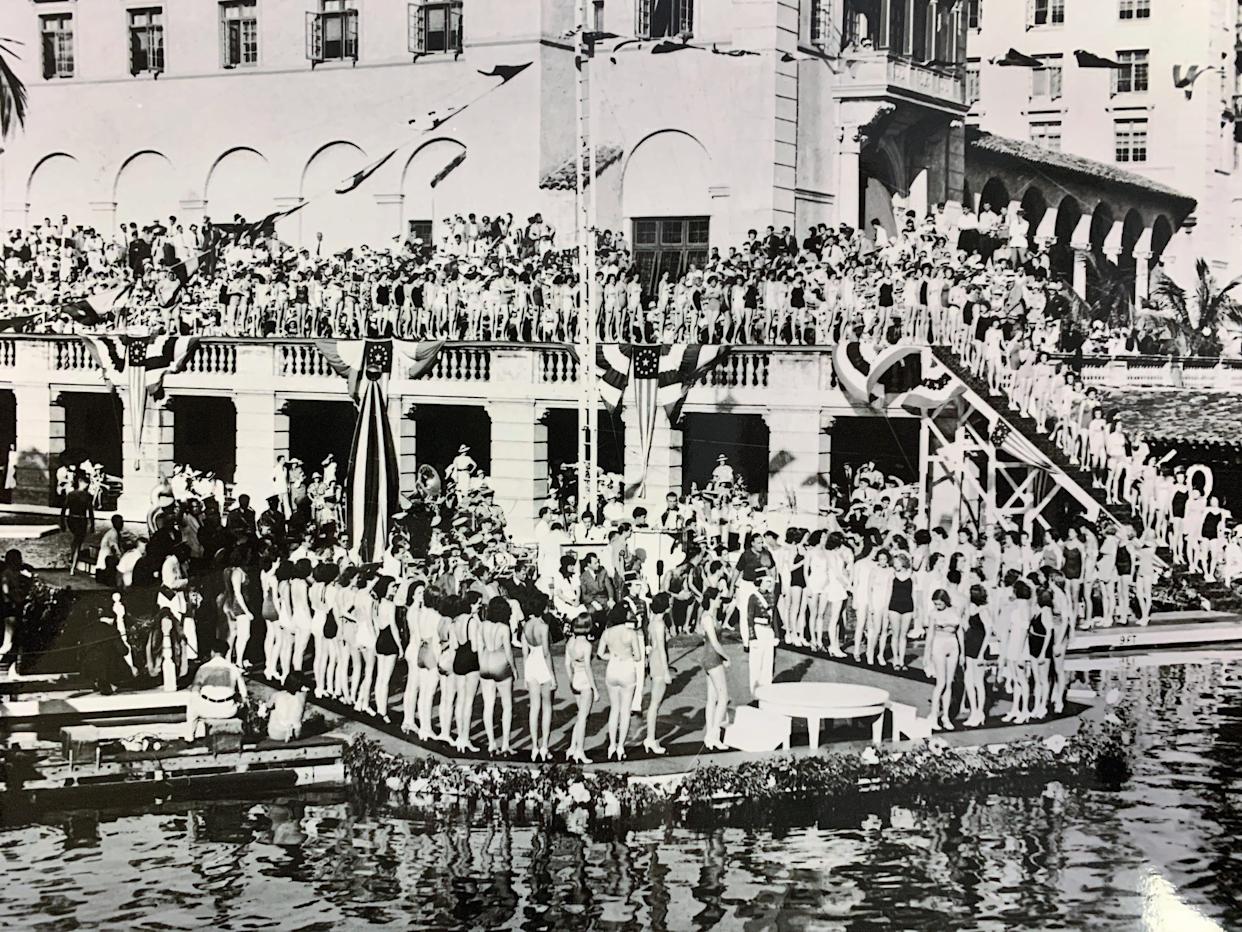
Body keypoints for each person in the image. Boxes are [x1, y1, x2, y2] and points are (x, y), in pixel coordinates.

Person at [598, 601, 640, 760]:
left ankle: (611, 745)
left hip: (612, 668)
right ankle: (621, 746)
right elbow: (638, 656)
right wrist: (626, 656)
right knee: (625, 710)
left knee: (614, 709)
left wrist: (613, 656)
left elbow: (601, 654)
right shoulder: (631, 633)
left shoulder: (607, 633)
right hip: (627, 668)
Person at [478, 595, 517, 755]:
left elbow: (480, 648)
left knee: (488, 705)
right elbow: (508, 652)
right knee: (507, 705)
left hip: (485, 663)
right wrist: (514, 669)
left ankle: (491, 743)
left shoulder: (482, 625)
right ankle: (506, 744)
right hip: (500, 663)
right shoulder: (504, 628)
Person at [184, 643, 247, 741]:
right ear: (226, 653)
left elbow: (195, 691)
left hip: (207, 709)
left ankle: (189, 737)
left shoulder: (203, 668)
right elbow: (244, 694)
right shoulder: (233, 668)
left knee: (191, 704)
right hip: (228, 710)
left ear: (212, 652)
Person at [521, 591, 556, 761]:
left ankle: (534, 747)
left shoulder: (526, 625)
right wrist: (553, 676)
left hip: (530, 664)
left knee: (534, 707)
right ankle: (545, 747)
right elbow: (547, 654)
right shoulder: (544, 626)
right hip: (542, 664)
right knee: (547, 707)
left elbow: (524, 650)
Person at [923, 588, 961, 731]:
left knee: (949, 683)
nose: (937, 607)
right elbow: (930, 635)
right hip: (939, 645)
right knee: (941, 683)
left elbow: (960, 632)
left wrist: (961, 652)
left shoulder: (955, 611)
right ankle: (933, 715)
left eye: (939, 604)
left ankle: (945, 716)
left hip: (953, 645)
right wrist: (927, 654)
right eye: (935, 604)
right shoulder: (933, 614)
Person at [699, 585, 731, 750]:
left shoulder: (710, 616)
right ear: (712, 599)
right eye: (718, 598)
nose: (720, 601)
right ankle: (714, 735)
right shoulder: (707, 618)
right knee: (723, 697)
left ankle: (709, 736)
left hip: (708, 657)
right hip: (713, 658)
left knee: (712, 699)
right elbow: (715, 643)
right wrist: (726, 656)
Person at [565, 612, 597, 765]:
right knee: (584, 717)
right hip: (584, 680)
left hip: (575, 679)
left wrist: (571, 680)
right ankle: (579, 751)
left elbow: (566, 664)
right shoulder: (587, 645)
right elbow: (588, 668)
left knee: (580, 715)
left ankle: (572, 746)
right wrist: (595, 689)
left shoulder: (570, 642)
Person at [643, 591, 672, 755]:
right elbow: (661, 649)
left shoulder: (653, 621)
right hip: (659, 663)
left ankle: (651, 737)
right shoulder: (659, 624)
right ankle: (650, 738)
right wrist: (666, 671)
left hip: (653, 661)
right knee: (655, 703)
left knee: (655, 702)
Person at [61, 476, 95, 574]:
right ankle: (73, 566)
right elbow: (90, 511)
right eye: (86, 483)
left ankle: (72, 557)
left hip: (71, 519)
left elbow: (63, 509)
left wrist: (62, 522)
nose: (87, 486)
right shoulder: (87, 496)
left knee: (76, 540)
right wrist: (92, 524)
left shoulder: (71, 494)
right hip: (81, 520)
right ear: (81, 483)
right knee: (78, 542)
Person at [268, 672, 309, 742]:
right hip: (296, 733)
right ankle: (289, 730)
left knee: (273, 709)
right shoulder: (303, 696)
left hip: (277, 733)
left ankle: (285, 728)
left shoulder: (277, 695)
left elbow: (268, 706)